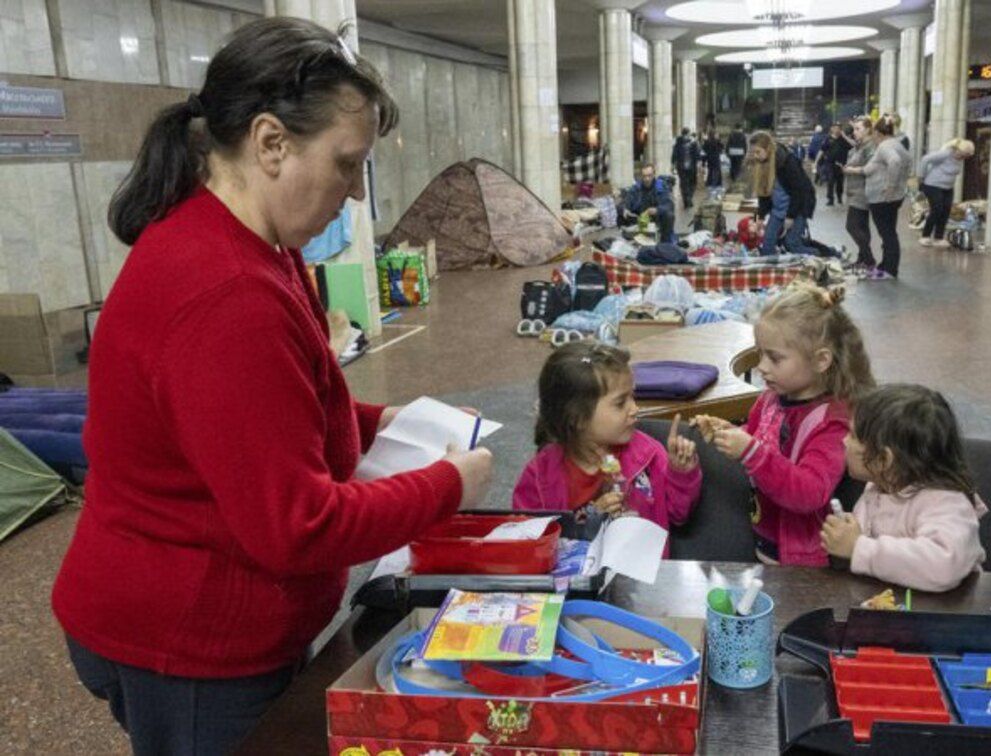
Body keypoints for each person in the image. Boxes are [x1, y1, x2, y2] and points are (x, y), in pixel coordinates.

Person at [51, 18, 493, 755]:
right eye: (347, 165)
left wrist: (395, 419)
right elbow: (299, 527)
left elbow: (279, 406)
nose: (354, 197)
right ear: (270, 143)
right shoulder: (227, 293)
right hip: (186, 645)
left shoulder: (253, 243)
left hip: (188, 621)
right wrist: (449, 484)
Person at [692, 283, 875, 566]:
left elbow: (810, 491)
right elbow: (759, 442)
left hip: (803, 562)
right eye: (760, 354)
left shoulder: (832, 422)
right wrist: (729, 433)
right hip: (765, 542)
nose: (763, 367)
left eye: (775, 358)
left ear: (821, 360)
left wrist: (749, 450)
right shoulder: (770, 400)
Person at [512, 342, 701, 541]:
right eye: (621, 403)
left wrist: (681, 473)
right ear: (577, 418)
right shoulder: (539, 476)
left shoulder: (649, 454)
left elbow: (679, 515)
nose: (634, 409)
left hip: (642, 569)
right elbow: (529, 540)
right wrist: (590, 520)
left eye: (633, 396)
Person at [821, 384, 988, 592]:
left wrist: (859, 548)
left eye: (853, 436)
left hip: (947, 617)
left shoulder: (945, 502)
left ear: (884, 459)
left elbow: (943, 566)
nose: (844, 441)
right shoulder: (878, 489)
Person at [846, 115, 909, 279]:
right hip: (890, 196)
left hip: (883, 198)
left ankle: (889, 270)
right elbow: (871, 168)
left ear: (876, 132)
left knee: (888, 234)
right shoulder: (897, 144)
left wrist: (891, 186)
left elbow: (894, 162)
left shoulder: (885, 146)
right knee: (888, 234)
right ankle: (885, 266)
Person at [749, 131, 816, 256]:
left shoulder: (787, 161)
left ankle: (823, 257)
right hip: (778, 209)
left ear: (767, 148)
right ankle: (774, 272)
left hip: (798, 207)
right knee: (767, 245)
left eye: (758, 152)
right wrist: (761, 217)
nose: (755, 156)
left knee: (791, 244)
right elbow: (764, 195)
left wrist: (790, 216)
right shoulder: (762, 165)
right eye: (753, 152)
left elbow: (799, 191)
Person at [918, 138, 975, 247]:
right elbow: (925, 159)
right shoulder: (946, 154)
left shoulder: (960, 159)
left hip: (948, 187)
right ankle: (925, 236)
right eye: (965, 154)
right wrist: (921, 177)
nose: (965, 158)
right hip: (933, 185)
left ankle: (938, 238)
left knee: (945, 211)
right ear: (959, 150)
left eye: (967, 156)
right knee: (936, 209)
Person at [844, 116, 878, 271]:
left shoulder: (871, 147)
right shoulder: (858, 146)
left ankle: (869, 258)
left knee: (851, 226)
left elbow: (872, 167)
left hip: (862, 192)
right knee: (862, 227)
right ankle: (862, 258)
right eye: (854, 129)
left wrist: (852, 170)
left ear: (868, 130)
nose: (854, 132)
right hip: (853, 190)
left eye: (858, 129)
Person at [623, 163, 675, 243]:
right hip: (641, 219)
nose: (647, 179)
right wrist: (626, 209)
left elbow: (669, 205)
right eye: (644, 176)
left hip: (658, 219)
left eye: (649, 175)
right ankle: (628, 240)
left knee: (669, 215)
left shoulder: (661, 186)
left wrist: (657, 210)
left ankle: (665, 243)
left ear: (654, 174)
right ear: (641, 176)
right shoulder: (636, 188)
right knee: (621, 213)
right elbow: (628, 199)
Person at [821, 123, 852, 207]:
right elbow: (823, 149)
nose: (836, 130)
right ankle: (830, 199)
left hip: (841, 164)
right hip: (830, 164)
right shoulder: (828, 139)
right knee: (830, 181)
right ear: (832, 129)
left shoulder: (843, 139)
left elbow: (851, 146)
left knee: (840, 182)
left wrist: (845, 136)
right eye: (835, 128)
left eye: (838, 128)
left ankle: (839, 197)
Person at [671, 127, 700, 209]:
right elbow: (674, 154)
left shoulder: (691, 143)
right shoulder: (681, 143)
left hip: (686, 167)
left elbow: (697, 154)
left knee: (688, 183)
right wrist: (673, 164)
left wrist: (673, 165)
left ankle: (687, 198)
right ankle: (688, 199)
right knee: (687, 183)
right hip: (686, 167)